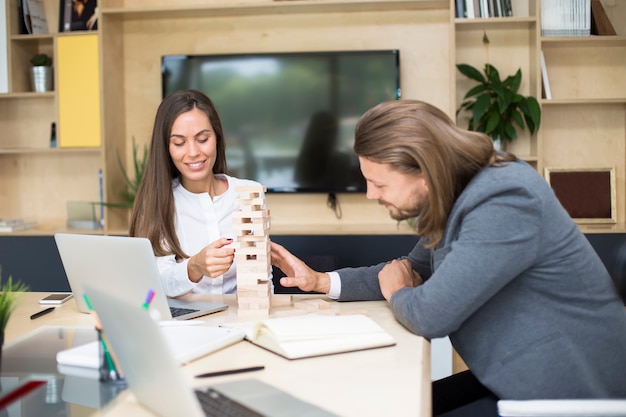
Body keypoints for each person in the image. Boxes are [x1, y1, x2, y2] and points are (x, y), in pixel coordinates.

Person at [271, 100, 626, 416]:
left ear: (423, 173)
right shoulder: (457, 195)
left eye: (378, 184)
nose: (369, 195)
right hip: (514, 372)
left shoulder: (504, 198)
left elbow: (431, 314)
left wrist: (398, 294)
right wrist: (318, 280)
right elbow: (410, 270)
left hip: (568, 391)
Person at [130, 89, 263, 296]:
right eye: (179, 143)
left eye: (202, 139)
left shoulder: (249, 193)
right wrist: (194, 267)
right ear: (166, 147)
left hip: (240, 319)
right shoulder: (156, 203)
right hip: (185, 323)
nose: (193, 152)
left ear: (217, 137)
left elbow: (261, 277)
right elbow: (155, 283)